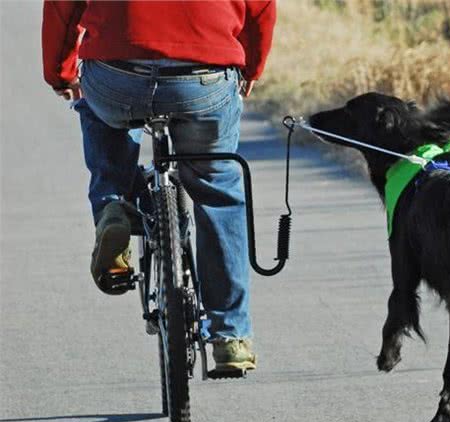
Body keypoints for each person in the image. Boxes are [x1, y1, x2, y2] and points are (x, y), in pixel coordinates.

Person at [42, 0, 276, 372]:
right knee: (217, 191)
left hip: (117, 76)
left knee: (97, 105)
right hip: (203, 80)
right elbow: (261, 8)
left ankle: (113, 205)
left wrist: (61, 73)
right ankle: (230, 337)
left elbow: (62, 6)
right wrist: (252, 67)